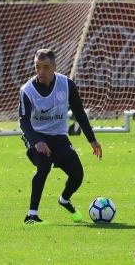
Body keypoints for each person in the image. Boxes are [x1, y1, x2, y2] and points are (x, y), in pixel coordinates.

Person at [19, 49, 102, 224]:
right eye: (37, 67)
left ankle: (64, 200)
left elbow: (79, 113)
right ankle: (31, 215)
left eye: (45, 67)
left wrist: (92, 139)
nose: (41, 71)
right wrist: (37, 141)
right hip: (36, 134)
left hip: (58, 137)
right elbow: (24, 122)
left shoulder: (66, 85)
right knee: (44, 164)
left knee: (77, 174)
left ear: (54, 67)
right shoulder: (27, 90)